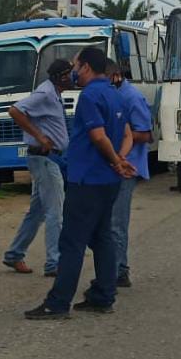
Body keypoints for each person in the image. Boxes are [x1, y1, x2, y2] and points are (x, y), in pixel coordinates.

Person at [25, 47, 136, 320]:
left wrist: (114, 160)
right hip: (108, 181)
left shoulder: (89, 96)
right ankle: (102, 296)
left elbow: (98, 136)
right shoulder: (115, 94)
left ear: (85, 67)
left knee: (72, 242)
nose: (73, 71)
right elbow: (125, 133)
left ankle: (58, 303)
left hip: (87, 179)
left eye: (75, 65)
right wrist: (119, 160)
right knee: (102, 238)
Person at [2, 59, 73, 277]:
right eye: (69, 74)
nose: (73, 77)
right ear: (60, 77)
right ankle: (54, 262)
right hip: (45, 159)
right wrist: (40, 136)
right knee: (55, 212)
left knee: (37, 212)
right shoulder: (44, 94)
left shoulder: (55, 94)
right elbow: (14, 111)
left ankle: (14, 254)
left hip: (51, 158)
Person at [106, 59, 153, 288]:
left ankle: (120, 271)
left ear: (115, 75)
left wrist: (122, 138)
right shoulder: (113, 95)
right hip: (114, 164)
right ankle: (115, 268)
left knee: (117, 221)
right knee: (109, 221)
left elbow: (146, 134)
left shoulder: (131, 97)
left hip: (128, 166)